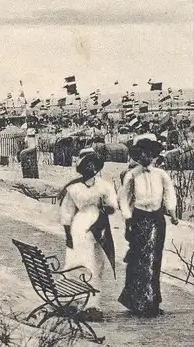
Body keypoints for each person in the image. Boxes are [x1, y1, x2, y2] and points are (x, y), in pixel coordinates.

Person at [118, 138, 179, 317]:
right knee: (138, 259)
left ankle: (152, 301)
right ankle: (136, 301)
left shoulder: (161, 175)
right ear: (138, 156)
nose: (145, 156)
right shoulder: (132, 175)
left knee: (154, 259)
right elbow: (124, 198)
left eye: (148, 153)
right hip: (139, 218)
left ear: (153, 154)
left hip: (157, 219)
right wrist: (128, 220)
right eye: (141, 154)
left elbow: (169, 194)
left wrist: (173, 213)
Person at [58, 152, 118, 322]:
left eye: (94, 164)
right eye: (87, 165)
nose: (91, 168)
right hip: (80, 226)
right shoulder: (74, 188)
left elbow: (113, 205)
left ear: (98, 167)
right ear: (82, 167)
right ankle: (77, 302)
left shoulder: (104, 185)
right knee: (82, 263)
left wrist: (108, 207)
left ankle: (93, 303)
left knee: (97, 263)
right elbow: (67, 211)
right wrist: (67, 233)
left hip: (99, 225)